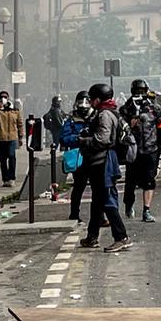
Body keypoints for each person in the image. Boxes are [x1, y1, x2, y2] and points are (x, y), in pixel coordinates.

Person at [75, 82, 132, 251]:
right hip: (102, 161)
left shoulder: (105, 114)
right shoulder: (110, 111)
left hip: (103, 162)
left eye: (92, 99)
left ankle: (122, 237)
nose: (90, 102)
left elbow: (103, 139)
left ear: (98, 99)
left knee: (106, 200)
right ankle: (92, 237)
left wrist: (84, 140)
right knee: (98, 201)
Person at [121, 80, 161, 222]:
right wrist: (129, 125)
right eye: (137, 90)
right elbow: (120, 130)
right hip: (133, 150)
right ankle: (129, 203)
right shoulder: (126, 108)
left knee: (149, 181)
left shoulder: (154, 108)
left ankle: (146, 210)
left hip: (151, 149)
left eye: (142, 90)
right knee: (130, 182)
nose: (140, 93)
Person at [64, 90, 94, 222]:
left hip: (94, 156)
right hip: (79, 157)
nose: (84, 105)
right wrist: (79, 138)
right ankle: (74, 214)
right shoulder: (71, 120)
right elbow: (64, 138)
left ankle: (101, 216)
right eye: (81, 102)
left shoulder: (95, 117)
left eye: (87, 101)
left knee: (98, 188)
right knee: (79, 187)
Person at [0, 91, 24, 186]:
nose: (3, 98)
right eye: (1, 97)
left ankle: (11, 177)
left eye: (5, 97)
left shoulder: (14, 110)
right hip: (0, 137)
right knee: (2, 159)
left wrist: (21, 136)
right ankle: (5, 178)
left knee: (11, 156)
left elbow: (20, 123)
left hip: (12, 137)